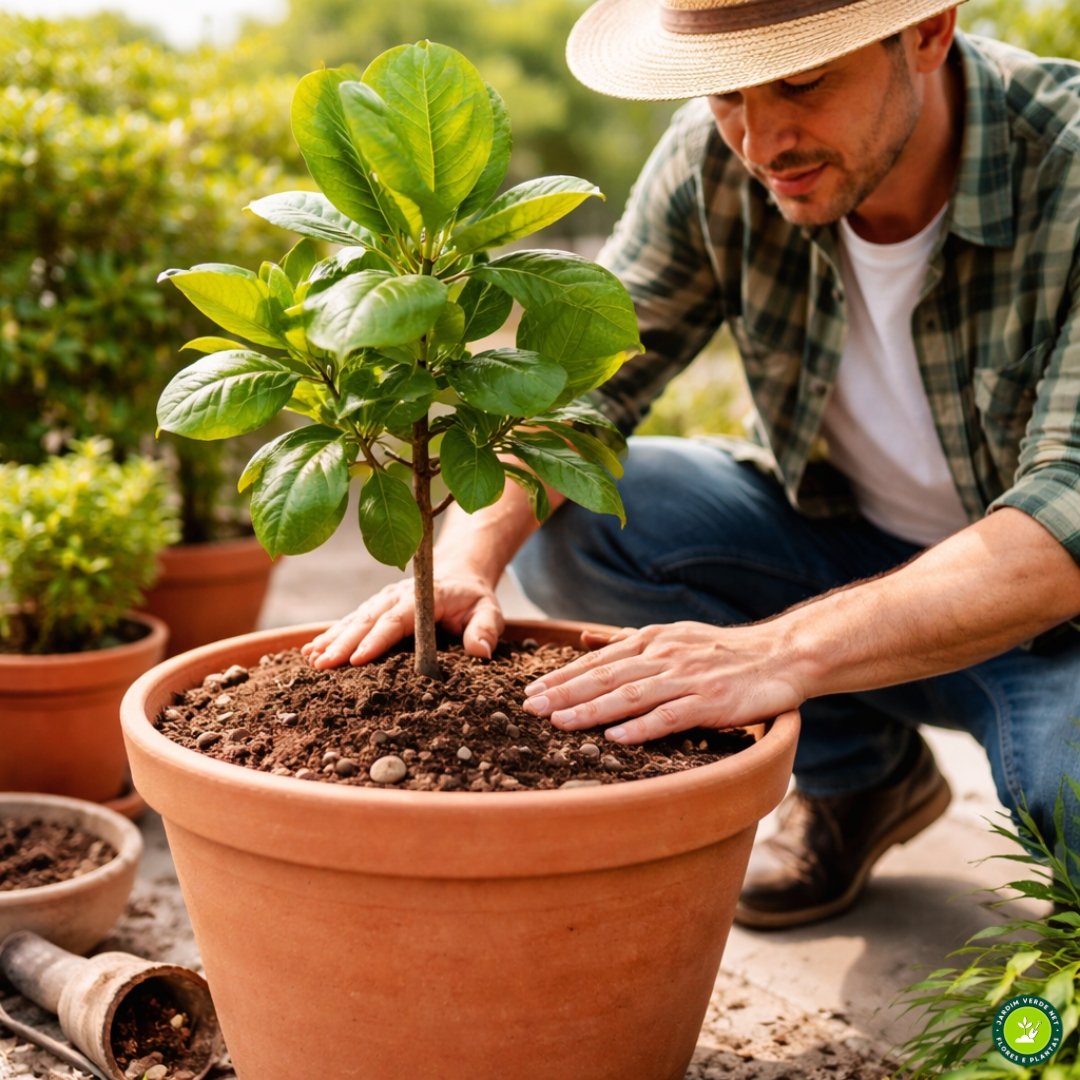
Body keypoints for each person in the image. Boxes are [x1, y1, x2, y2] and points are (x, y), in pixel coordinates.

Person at [304, 0, 1080, 928]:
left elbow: (1063, 518)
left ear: (926, 33)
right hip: (851, 551)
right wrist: (468, 558)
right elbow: (573, 395)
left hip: (1056, 618)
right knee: (586, 519)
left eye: (801, 81)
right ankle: (859, 780)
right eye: (726, 95)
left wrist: (774, 653)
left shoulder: (1065, 163)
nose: (761, 142)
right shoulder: (713, 161)